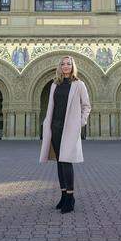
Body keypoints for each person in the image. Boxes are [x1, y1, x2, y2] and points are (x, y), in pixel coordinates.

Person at [39, 56, 91, 214]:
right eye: (63, 64)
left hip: (70, 128)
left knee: (67, 161)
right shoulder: (55, 84)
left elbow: (86, 106)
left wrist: (80, 123)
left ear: (73, 66)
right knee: (60, 163)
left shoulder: (79, 84)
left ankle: (70, 198)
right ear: (60, 67)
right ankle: (63, 195)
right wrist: (47, 123)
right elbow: (51, 106)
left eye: (69, 64)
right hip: (55, 127)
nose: (66, 66)